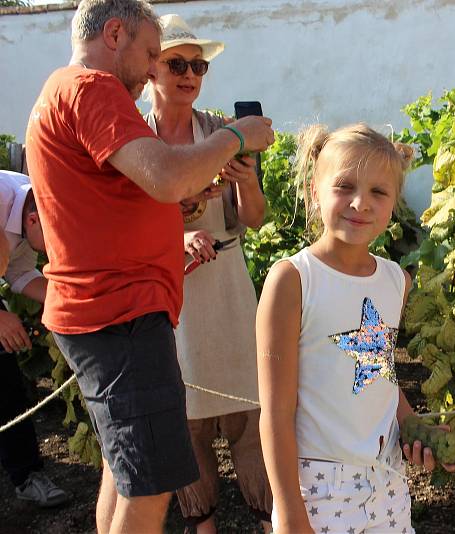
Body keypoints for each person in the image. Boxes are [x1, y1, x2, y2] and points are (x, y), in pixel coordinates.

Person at [23, 0, 274, 532]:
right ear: (114, 33)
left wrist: (173, 210)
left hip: (108, 315)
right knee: (152, 484)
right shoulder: (92, 87)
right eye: (154, 56)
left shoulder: (64, 91)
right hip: (122, 316)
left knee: (126, 471)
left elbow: (127, 197)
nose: (154, 69)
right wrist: (238, 135)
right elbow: (164, 176)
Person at [256, 123, 454, 534]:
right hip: (316, 490)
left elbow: (379, 374)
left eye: (378, 192)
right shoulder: (293, 280)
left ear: (394, 202)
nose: (360, 203)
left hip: (387, 484)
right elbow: (275, 413)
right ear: (315, 190)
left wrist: (416, 427)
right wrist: (290, 513)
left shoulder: (395, 280)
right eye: (344, 186)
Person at [142, 14, 271, 533]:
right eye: (177, 63)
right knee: (188, 416)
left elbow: (256, 218)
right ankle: (204, 524)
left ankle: (268, 519)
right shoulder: (135, 139)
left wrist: (245, 182)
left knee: (249, 409)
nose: (190, 74)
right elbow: (124, 222)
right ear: (151, 69)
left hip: (225, 281)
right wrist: (175, 234)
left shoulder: (222, 131)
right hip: (170, 287)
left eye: (198, 65)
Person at [0, 169, 69, 508]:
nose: (52, 253)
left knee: (6, 380)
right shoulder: (1, 197)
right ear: (31, 220)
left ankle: (27, 476)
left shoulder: (33, 209)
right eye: (54, 241)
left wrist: (70, 302)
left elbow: (20, 272)